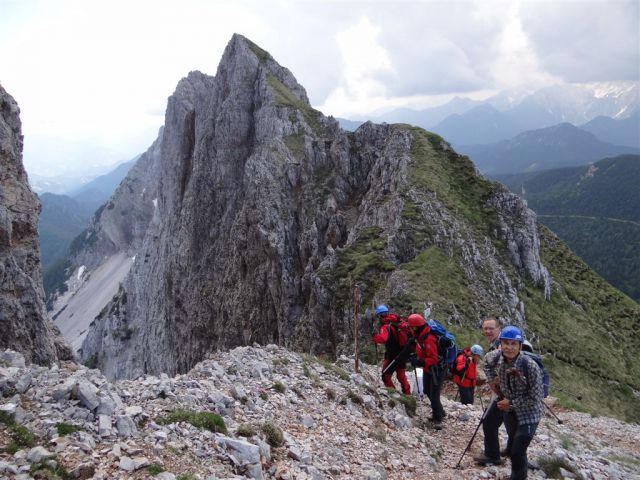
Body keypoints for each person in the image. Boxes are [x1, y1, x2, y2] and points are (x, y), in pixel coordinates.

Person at [494, 326, 544, 480]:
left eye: (513, 344)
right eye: (506, 343)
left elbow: (536, 397)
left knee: (516, 451)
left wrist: (511, 403)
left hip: (529, 414)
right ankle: (519, 474)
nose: (509, 347)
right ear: (500, 344)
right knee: (517, 448)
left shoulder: (530, 366)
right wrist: (492, 383)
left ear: (520, 346)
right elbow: (487, 364)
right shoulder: (498, 360)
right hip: (510, 413)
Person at [474, 316, 505, 466]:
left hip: (506, 392)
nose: (488, 331)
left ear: (499, 328)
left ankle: (492, 455)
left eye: (491, 328)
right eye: (485, 328)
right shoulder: (496, 344)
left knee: (489, 422)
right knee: (511, 424)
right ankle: (512, 453)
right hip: (503, 391)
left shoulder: (502, 344)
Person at [407, 313, 445, 430]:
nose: (411, 329)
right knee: (427, 390)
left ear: (416, 327)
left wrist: (419, 362)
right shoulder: (421, 336)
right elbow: (422, 351)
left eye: (412, 327)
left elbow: (433, 358)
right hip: (429, 369)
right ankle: (441, 411)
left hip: (437, 369)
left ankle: (438, 419)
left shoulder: (428, 339)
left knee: (434, 395)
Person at [372, 304, 411, 394]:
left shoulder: (386, 326)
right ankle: (408, 394)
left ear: (380, 315)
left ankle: (393, 394)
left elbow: (383, 339)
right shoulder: (397, 322)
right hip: (402, 354)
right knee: (401, 376)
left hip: (393, 356)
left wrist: (374, 337)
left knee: (385, 375)